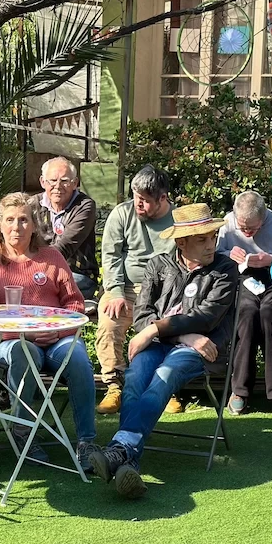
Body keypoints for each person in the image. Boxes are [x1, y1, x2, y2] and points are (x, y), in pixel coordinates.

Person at [88, 204, 236, 498]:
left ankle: (118, 450)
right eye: (203, 239)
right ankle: (127, 461)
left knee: (163, 378)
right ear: (181, 242)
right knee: (133, 382)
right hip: (171, 343)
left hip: (200, 351)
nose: (212, 244)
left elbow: (207, 318)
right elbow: (142, 315)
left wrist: (158, 330)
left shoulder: (224, 269)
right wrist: (184, 334)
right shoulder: (158, 265)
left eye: (213, 236)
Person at [0, 192, 97, 470]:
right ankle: (22, 431)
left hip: (55, 339)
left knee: (77, 357)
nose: (17, 227)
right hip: (10, 342)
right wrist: (24, 335)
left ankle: (88, 443)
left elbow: (75, 303)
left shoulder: (51, 258)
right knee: (23, 353)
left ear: (35, 224)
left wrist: (59, 331)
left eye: (24, 220)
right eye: (10, 220)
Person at [95, 165, 175, 415]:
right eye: (135, 197)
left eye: (144, 201)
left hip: (164, 291)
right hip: (126, 289)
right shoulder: (122, 214)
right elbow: (111, 257)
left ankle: (163, 386)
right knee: (109, 324)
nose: (137, 204)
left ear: (163, 198)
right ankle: (114, 386)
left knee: (170, 326)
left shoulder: (179, 221)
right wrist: (116, 292)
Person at [217, 190, 272, 417]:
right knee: (247, 313)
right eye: (242, 227)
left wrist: (271, 260)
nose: (247, 232)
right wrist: (228, 253)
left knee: (271, 314)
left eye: (252, 228)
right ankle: (240, 390)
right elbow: (214, 253)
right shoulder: (227, 224)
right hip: (243, 278)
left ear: (264, 217)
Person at [31, 156, 98, 299]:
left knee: (38, 286)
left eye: (65, 181)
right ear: (43, 182)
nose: (58, 186)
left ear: (75, 183)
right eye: (53, 181)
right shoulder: (32, 205)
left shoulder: (85, 206)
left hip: (77, 274)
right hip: (36, 270)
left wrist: (31, 270)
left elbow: (64, 247)